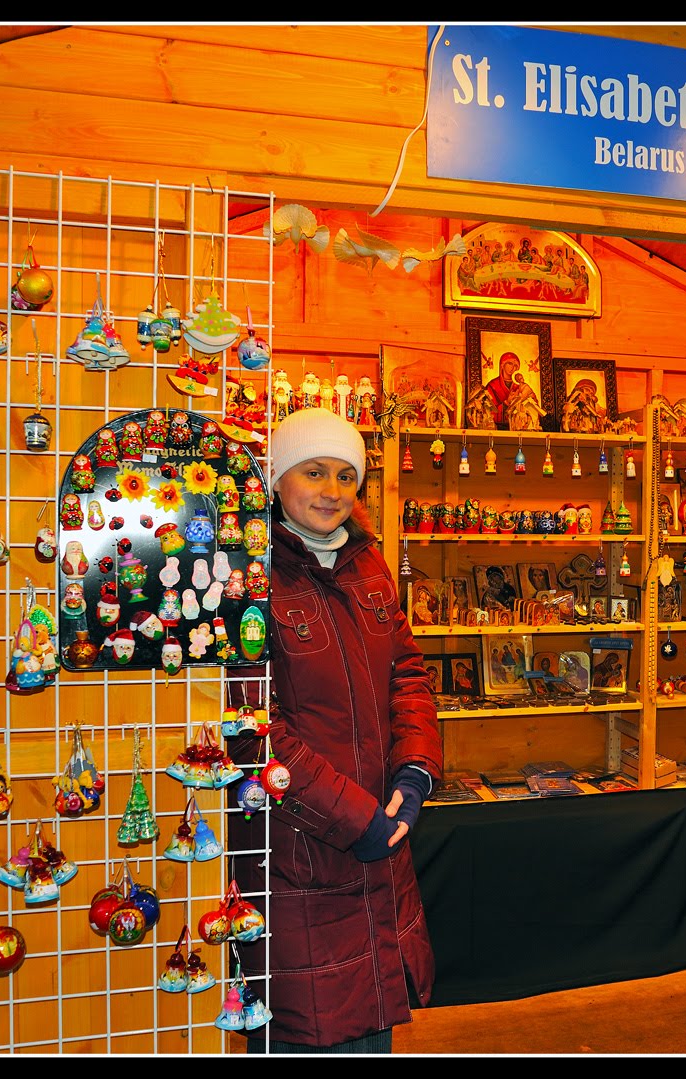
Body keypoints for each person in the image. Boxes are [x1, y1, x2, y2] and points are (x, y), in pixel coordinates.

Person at [230, 407, 444, 1054]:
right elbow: (250, 726)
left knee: (371, 1022)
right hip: (298, 851)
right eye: (314, 471)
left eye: (346, 476)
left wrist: (415, 770)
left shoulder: (368, 564)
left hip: (381, 844)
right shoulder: (247, 576)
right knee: (307, 1029)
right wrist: (356, 817)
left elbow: (407, 674)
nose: (331, 490)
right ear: (276, 478)